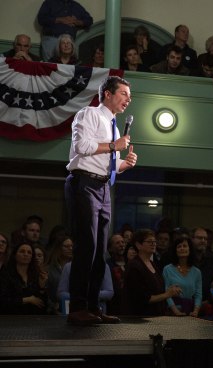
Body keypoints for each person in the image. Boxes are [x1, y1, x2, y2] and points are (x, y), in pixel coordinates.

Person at [64, 75, 137, 325]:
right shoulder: (89, 114)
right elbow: (82, 146)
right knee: (86, 246)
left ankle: (94, 307)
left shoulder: (114, 126)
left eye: (129, 95)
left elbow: (106, 162)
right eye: (124, 93)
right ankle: (77, 307)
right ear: (107, 93)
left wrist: (122, 166)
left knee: (99, 252)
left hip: (103, 186)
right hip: (83, 183)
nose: (129, 98)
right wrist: (114, 146)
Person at [123, 229, 181, 316]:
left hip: (156, 316)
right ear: (138, 245)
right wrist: (167, 294)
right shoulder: (134, 266)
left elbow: (157, 290)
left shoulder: (153, 264)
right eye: (149, 241)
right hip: (139, 318)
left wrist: (170, 290)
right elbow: (142, 298)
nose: (153, 244)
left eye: (154, 241)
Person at [0, 243, 48, 314]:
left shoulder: (36, 275)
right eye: (22, 251)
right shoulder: (5, 273)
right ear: (15, 255)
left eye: (29, 252)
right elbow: (2, 300)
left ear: (32, 257)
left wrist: (42, 287)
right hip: (10, 316)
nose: (26, 254)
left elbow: (42, 303)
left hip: (32, 317)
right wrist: (27, 299)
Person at [162, 238, 202, 317]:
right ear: (175, 251)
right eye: (179, 246)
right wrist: (176, 311)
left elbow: (198, 295)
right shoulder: (167, 269)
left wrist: (195, 311)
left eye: (185, 246)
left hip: (190, 311)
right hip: (172, 311)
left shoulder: (197, 272)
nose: (182, 248)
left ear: (190, 249)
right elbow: (166, 292)